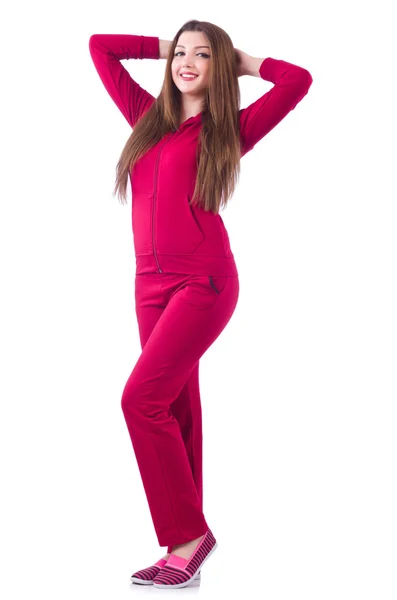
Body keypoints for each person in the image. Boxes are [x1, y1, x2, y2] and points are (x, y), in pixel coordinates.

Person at [88, 19, 313, 589]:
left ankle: (187, 537)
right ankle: (186, 540)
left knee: (140, 400)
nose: (187, 63)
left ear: (221, 67)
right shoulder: (148, 119)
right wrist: (171, 48)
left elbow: (298, 80)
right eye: (181, 54)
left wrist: (244, 61)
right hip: (147, 285)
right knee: (173, 404)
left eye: (201, 55)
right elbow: (101, 48)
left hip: (203, 284)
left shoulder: (230, 129)